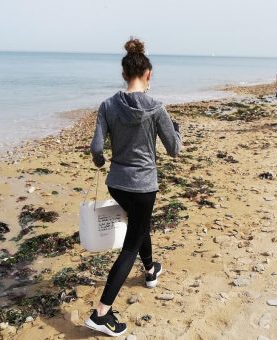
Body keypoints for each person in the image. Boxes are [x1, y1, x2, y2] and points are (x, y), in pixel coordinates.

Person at [86, 38, 181, 337]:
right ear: (148, 74)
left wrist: (101, 162)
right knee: (130, 245)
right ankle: (101, 314)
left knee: (141, 227)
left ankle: (151, 270)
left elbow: (96, 147)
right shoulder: (156, 108)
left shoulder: (108, 105)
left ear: (124, 74)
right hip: (142, 185)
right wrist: (177, 131)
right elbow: (174, 150)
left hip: (117, 183)